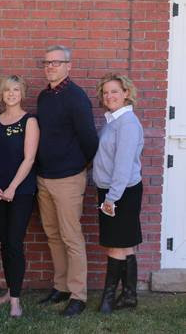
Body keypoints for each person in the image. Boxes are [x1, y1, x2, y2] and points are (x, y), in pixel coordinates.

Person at [36, 45, 98, 316]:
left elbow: (90, 140)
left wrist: (78, 166)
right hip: (44, 178)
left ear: (68, 66)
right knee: (53, 235)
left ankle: (78, 295)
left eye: (56, 63)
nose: (50, 67)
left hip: (69, 178)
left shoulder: (76, 97)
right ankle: (60, 287)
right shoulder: (44, 97)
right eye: (47, 63)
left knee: (71, 237)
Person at [0, 75, 39, 318]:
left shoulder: (30, 121)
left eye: (16, 90)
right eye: (7, 90)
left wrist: (13, 187)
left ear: (22, 93)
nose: (11, 94)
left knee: (15, 243)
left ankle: (16, 300)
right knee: (5, 242)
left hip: (21, 191)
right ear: (2, 93)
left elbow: (29, 158)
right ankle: (10, 289)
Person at [93, 73, 144, 314]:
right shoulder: (114, 121)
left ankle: (108, 300)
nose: (109, 96)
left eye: (115, 91)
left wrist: (111, 199)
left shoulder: (127, 123)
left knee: (115, 245)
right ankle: (129, 296)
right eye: (106, 92)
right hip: (116, 190)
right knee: (125, 245)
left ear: (126, 93)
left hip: (120, 192)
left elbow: (123, 165)